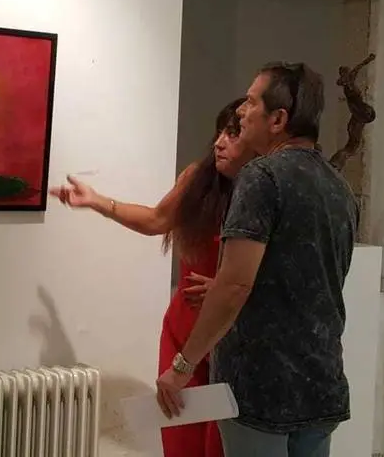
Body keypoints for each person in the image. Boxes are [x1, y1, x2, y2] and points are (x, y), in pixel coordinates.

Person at [155, 63, 358, 457]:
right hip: (323, 382)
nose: (241, 111)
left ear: (278, 119)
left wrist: (182, 366)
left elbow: (234, 285)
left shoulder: (261, 177)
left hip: (263, 388)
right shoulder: (339, 187)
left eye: (250, 103)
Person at [51, 98, 253, 457]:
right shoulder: (198, 178)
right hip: (183, 329)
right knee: (181, 443)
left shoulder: (265, 192)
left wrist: (225, 289)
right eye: (220, 132)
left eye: (233, 134)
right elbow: (156, 219)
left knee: (222, 446)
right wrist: (97, 201)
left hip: (234, 334)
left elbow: (278, 272)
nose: (220, 142)